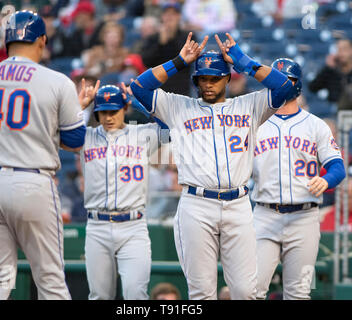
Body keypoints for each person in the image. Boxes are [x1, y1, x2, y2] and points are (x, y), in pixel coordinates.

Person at [130, 31, 302, 299]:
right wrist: (178, 61)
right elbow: (139, 87)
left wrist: (242, 61)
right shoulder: (177, 107)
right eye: (203, 79)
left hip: (238, 205)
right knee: (202, 293)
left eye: (214, 78)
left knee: (246, 292)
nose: (208, 84)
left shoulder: (249, 105)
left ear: (227, 78)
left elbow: (285, 88)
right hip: (197, 204)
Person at [0, 10, 97, 300]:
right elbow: (76, 140)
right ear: (42, 40)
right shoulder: (55, 81)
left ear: (7, 41)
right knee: (50, 280)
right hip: (31, 182)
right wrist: (69, 114)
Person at [251, 58, 346, 300]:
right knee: (250, 290)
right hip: (264, 214)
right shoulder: (255, 124)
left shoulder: (316, 126)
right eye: (277, 79)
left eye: (287, 80)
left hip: (304, 217)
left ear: (297, 85)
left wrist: (326, 181)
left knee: (299, 293)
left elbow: (337, 167)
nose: (282, 84)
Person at [80, 83, 169, 300]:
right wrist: (81, 108)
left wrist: (138, 101)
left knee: (135, 295)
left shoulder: (143, 134)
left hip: (133, 226)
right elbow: (60, 135)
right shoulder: (86, 137)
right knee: (99, 296)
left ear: (124, 108)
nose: (108, 117)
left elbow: (172, 127)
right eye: (103, 112)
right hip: (97, 226)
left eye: (114, 111)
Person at [140, 2, 197, 95]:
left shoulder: (188, 36)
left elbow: (188, 58)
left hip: (182, 87)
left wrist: (173, 36)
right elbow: (146, 62)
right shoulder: (153, 38)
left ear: (179, 16)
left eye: (173, 14)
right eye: (167, 14)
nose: (170, 17)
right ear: (162, 16)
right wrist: (161, 43)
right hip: (158, 89)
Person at [308, 37, 352, 106]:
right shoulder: (330, 71)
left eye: (344, 49)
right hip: (334, 111)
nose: (341, 53)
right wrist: (328, 68)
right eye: (339, 50)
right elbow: (313, 87)